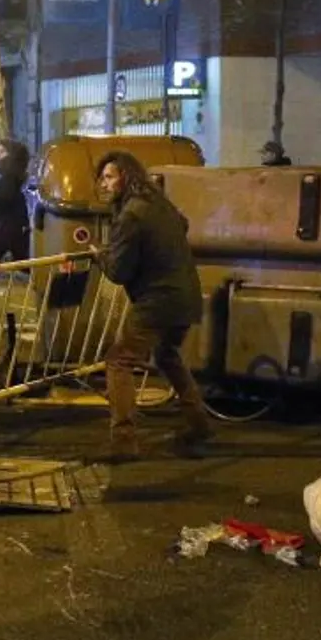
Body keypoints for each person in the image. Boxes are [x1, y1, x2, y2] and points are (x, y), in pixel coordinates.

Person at [94, 151, 211, 459]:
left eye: (109, 177)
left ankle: (123, 441)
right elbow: (182, 226)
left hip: (158, 299)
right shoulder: (159, 203)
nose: (103, 184)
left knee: (118, 361)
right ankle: (199, 424)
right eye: (102, 178)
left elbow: (118, 271)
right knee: (168, 355)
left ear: (125, 177)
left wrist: (100, 255)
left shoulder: (132, 214)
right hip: (185, 294)